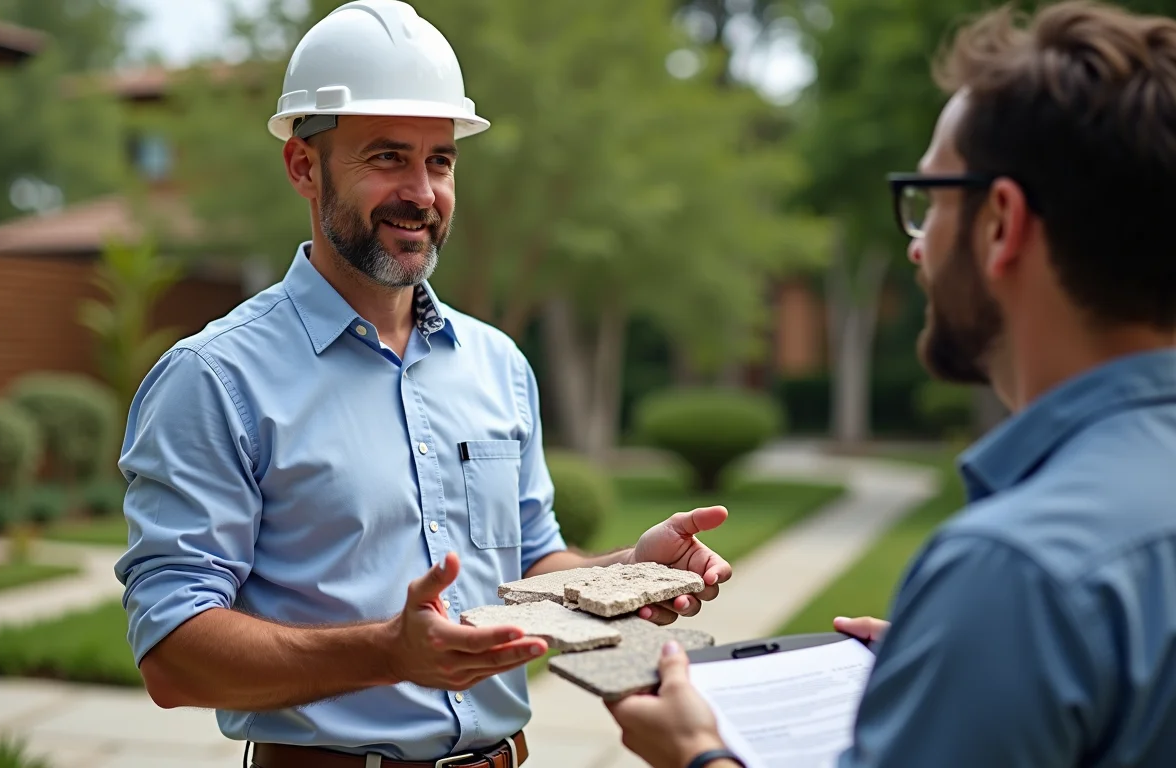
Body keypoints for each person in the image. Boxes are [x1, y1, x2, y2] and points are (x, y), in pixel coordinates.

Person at [112, 2, 734, 767]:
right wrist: (388, 653)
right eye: (385, 158)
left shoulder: (498, 364)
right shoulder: (213, 379)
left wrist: (628, 570)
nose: (422, 192)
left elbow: (531, 568)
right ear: (303, 166)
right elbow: (172, 655)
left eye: (439, 160)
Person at [605, 1, 1176, 766]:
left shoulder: (1016, 573)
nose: (917, 249)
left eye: (931, 201)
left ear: (1000, 224)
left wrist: (699, 757)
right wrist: (961, 660)